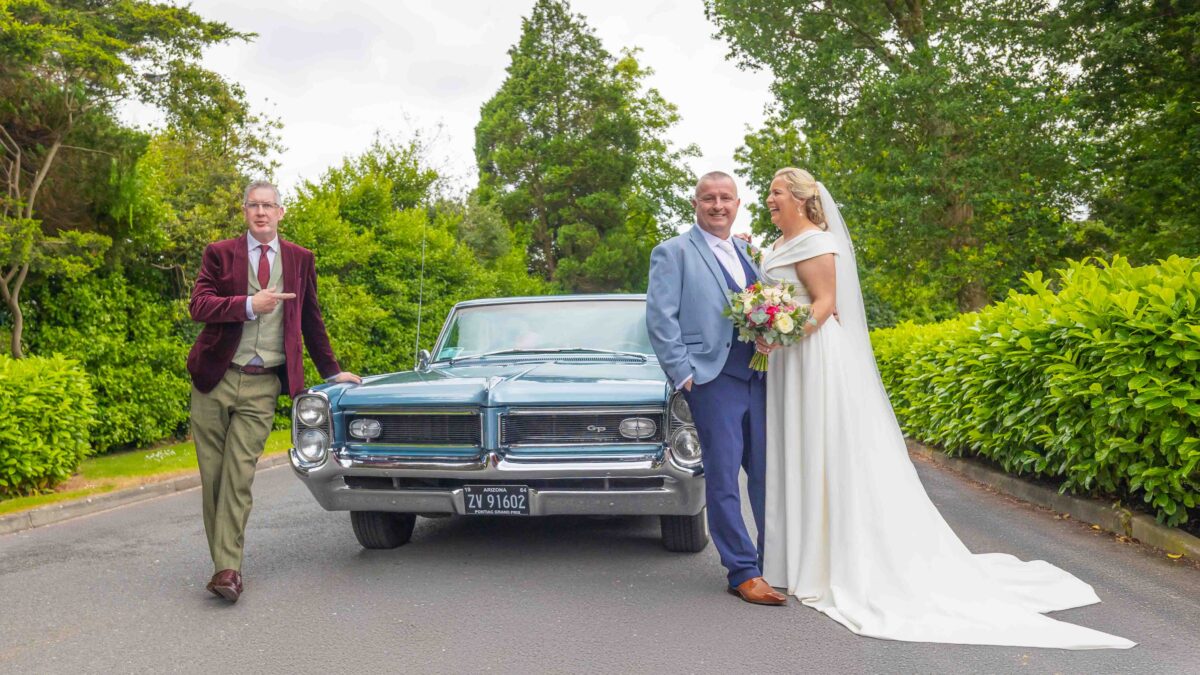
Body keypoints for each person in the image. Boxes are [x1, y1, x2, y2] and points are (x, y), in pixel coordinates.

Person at [757, 167, 1134, 648]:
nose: (769, 199)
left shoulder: (816, 242)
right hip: (789, 359)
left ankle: (831, 560)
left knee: (822, 447)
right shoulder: (776, 244)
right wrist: (767, 327)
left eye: (776, 192)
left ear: (799, 198)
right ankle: (799, 557)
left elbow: (826, 303)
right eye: (769, 193)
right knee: (798, 449)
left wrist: (780, 335)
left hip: (813, 356)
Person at [186, 180, 361, 603]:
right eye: (254, 205)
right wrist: (249, 305)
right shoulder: (219, 253)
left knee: (239, 475)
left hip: (263, 384)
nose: (261, 212)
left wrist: (332, 371)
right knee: (214, 478)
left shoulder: (300, 259)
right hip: (214, 378)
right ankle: (224, 564)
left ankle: (228, 570)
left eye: (268, 205)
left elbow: (311, 319)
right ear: (244, 211)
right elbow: (199, 306)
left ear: (281, 212)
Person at [646, 171, 786, 606]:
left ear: (738, 204)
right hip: (711, 379)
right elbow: (660, 318)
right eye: (709, 198)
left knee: (766, 474)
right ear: (695, 204)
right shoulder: (672, 252)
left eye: (726, 198)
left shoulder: (749, 252)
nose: (718, 205)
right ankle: (743, 571)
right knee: (723, 477)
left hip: (760, 377)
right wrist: (683, 374)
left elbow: (769, 303)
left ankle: (772, 560)